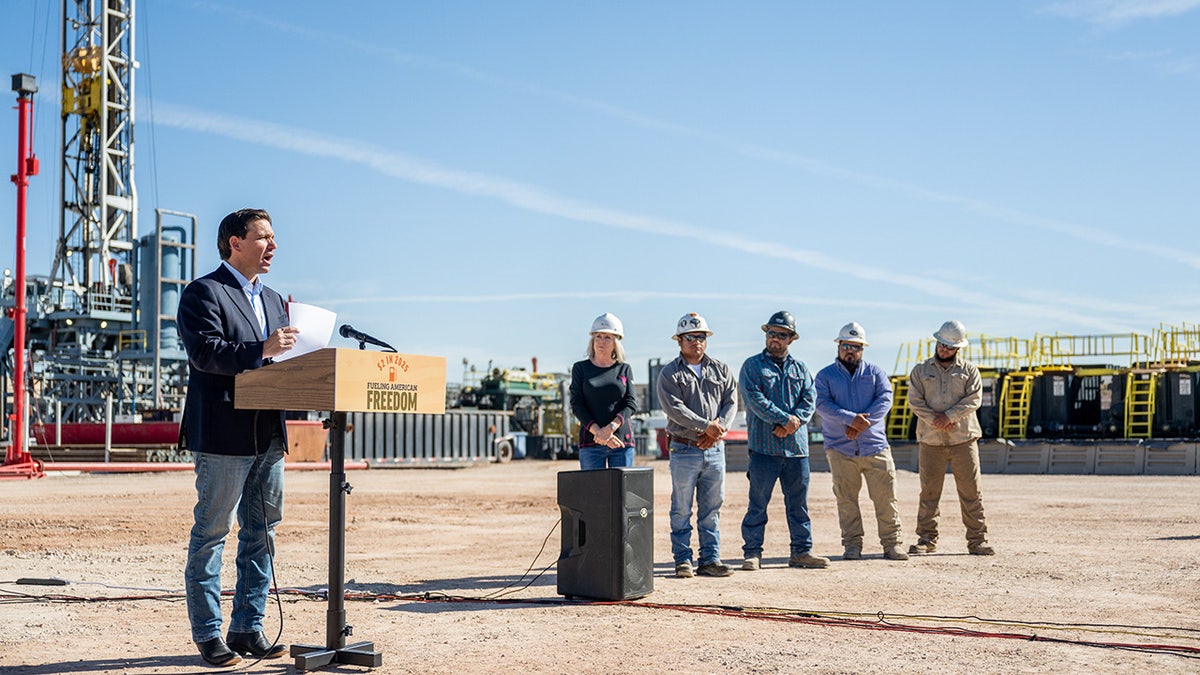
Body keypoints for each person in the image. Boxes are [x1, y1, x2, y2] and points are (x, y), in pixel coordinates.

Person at [177, 208, 299, 666]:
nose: (273, 246)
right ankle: (209, 635)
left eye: (273, 237)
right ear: (234, 242)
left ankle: (249, 627)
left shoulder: (272, 300)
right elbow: (205, 353)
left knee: (261, 534)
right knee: (212, 534)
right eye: (264, 237)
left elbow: (280, 361)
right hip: (223, 434)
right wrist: (262, 349)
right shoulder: (204, 292)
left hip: (267, 432)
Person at [738, 311, 829, 571]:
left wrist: (795, 422)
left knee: (799, 506)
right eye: (771, 333)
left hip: (796, 451)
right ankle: (752, 553)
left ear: (791, 339)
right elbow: (755, 401)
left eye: (781, 335)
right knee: (757, 505)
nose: (774, 338)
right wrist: (783, 420)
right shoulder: (752, 366)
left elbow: (809, 400)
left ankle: (802, 551)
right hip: (764, 449)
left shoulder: (801, 368)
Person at [814, 322, 908, 561]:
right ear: (838, 346)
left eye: (856, 347)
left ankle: (892, 544)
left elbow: (885, 399)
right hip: (841, 449)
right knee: (846, 501)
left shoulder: (876, 374)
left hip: (875, 447)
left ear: (863, 349)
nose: (850, 351)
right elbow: (822, 405)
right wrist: (851, 419)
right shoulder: (825, 376)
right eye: (846, 346)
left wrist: (863, 423)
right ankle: (852, 546)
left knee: (886, 499)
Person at [656, 312, 739, 578]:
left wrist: (718, 430)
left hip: (715, 449)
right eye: (690, 338)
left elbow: (731, 402)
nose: (696, 342)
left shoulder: (721, 370)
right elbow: (674, 409)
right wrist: (707, 427)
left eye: (701, 337)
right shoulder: (669, 374)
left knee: (712, 507)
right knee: (681, 506)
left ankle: (710, 559)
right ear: (679, 341)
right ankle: (682, 560)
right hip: (684, 449)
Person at [907, 320, 995, 556]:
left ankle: (977, 540)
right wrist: (934, 420)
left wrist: (949, 416)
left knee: (971, 492)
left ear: (959, 348)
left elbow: (974, 399)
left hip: (963, 441)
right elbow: (915, 401)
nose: (944, 349)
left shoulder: (969, 371)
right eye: (941, 344)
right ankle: (926, 539)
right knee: (929, 493)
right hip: (930, 441)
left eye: (949, 346)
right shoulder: (920, 371)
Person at [569, 313, 638, 470]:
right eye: (598, 336)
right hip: (591, 442)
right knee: (593, 493)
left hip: (621, 443)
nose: (601, 341)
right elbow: (577, 404)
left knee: (622, 493)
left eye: (607, 337)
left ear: (616, 342)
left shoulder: (624, 369)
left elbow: (631, 403)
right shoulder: (581, 369)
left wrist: (610, 429)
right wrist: (600, 433)